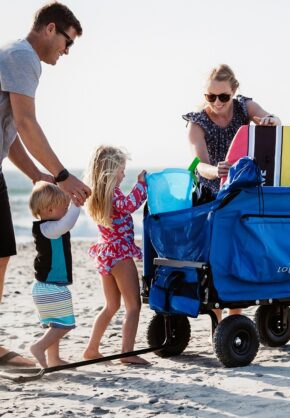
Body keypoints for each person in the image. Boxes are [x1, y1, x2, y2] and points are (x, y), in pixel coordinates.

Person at [0, 2, 91, 367]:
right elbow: (26, 123)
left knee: (3, 254)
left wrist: (37, 175)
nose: (66, 51)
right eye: (67, 42)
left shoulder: (15, 56)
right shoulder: (24, 57)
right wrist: (64, 176)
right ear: (50, 29)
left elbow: (10, 134)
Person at [183, 64, 281, 322]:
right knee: (215, 260)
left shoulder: (244, 107)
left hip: (241, 192)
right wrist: (216, 171)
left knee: (242, 253)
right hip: (212, 195)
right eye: (210, 96)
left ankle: (234, 318)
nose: (217, 102)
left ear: (234, 91)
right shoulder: (197, 122)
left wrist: (270, 121)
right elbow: (197, 165)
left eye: (223, 96)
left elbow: (272, 120)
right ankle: (217, 322)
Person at [83, 146, 149, 365]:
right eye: (121, 170)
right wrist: (142, 184)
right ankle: (127, 352)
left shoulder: (100, 193)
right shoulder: (113, 193)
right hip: (120, 253)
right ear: (111, 171)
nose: (123, 174)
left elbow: (124, 205)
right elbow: (130, 205)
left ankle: (92, 349)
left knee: (111, 306)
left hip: (106, 253)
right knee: (133, 306)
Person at [28, 181, 80, 368]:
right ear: (49, 210)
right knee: (64, 325)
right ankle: (39, 347)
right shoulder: (49, 228)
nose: (67, 211)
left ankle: (54, 359)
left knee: (54, 323)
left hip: (45, 286)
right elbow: (69, 222)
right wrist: (77, 204)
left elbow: (65, 223)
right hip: (50, 287)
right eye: (64, 208)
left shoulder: (47, 227)